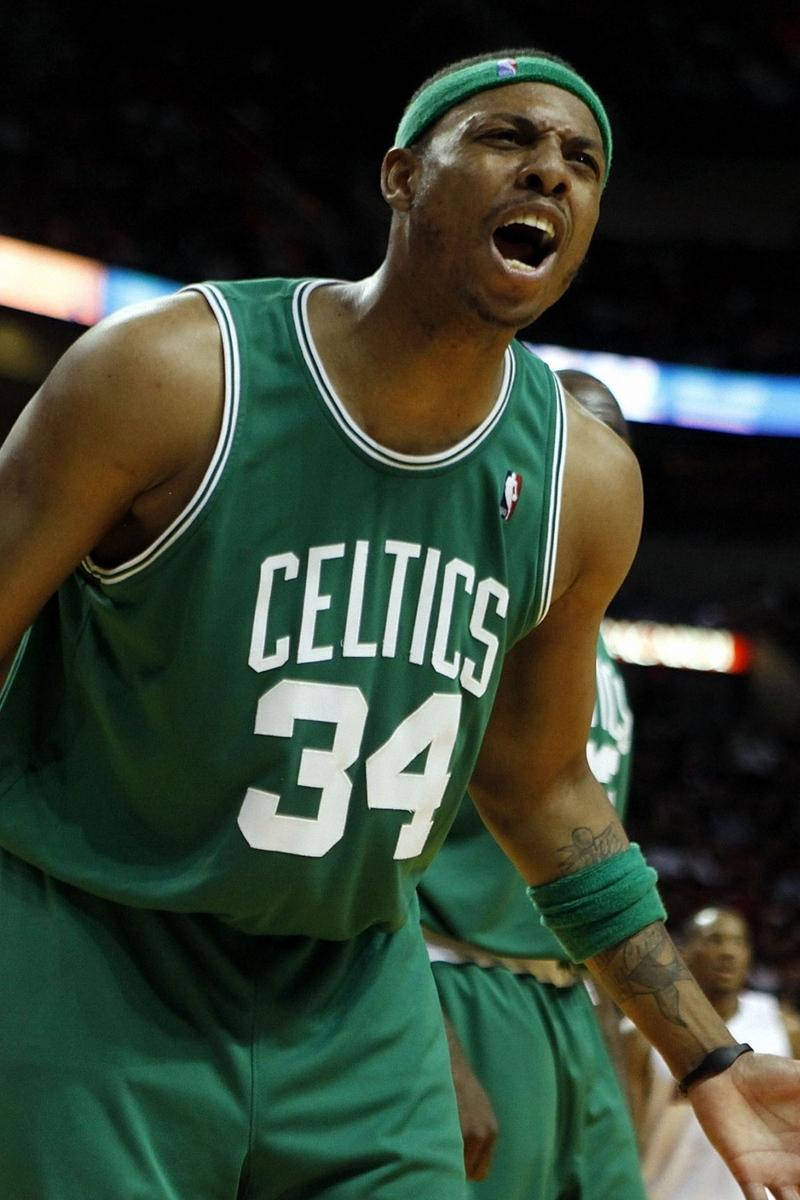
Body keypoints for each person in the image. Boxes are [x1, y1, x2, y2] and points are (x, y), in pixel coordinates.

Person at [2, 46, 800, 1200]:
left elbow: (541, 786)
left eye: (580, 161)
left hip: (355, 994)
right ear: (399, 175)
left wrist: (709, 1057)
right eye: (505, 137)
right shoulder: (173, 373)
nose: (548, 171)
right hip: (98, 948)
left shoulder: (582, 483)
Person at [419, 369, 647, 1199]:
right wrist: (433, 1043)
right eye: (572, 446)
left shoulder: (595, 648)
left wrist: (608, 1029)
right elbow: (371, 843)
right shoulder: (464, 612)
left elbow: (587, 858)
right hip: (465, 981)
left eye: (611, 451)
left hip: (572, 1000)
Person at [622, 907, 800, 1200]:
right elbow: (623, 1135)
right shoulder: (640, 1031)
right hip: (665, 1191)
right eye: (714, 940)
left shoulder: (785, 1026)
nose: (728, 952)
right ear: (682, 951)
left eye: (738, 942)